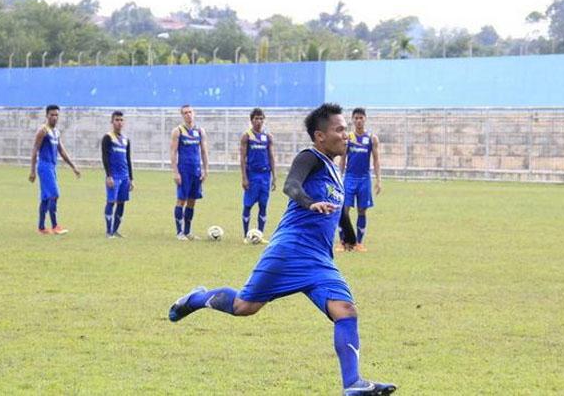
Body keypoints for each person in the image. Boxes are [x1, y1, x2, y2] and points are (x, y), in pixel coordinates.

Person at [168, 103, 397, 395]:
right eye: (340, 129)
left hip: (319, 260)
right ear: (320, 136)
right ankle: (196, 298)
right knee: (244, 307)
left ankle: (353, 383)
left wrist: (350, 238)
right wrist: (308, 202)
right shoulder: (309, 156)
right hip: (289, 250)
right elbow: (291, 186)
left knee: (346, 311)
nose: (346, 134)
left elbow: (339, 213)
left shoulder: (335, 174)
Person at [28, 104, 81, 235]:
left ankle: (41, 227)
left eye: (56, 115)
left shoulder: (56, 132)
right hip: (44, 166)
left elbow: (61, 151)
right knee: (54, 194)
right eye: (52, 115)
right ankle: (55, 226)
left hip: (52, 166)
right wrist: (32, 170)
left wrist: (73, 166)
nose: (54, 117)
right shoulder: (43, 131)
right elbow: (35, 149)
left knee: (46, 198)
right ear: (47, 116)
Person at [337, 108, 382, 252]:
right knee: (344, 210)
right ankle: (343, 242)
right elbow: (343, 159)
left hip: (364, 179)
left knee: (362, 210)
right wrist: (339, 177)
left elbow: (376, 160)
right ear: (352, 119)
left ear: (365, 119)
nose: (358, 120)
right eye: (356, 118)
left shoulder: (371, 138)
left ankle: (359, 243)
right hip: (349, 177)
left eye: (361, 118)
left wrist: (378, 180)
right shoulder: (348, 138)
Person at [170, 105, 209, 240]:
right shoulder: (178, 131)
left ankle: (187, 231)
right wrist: (175, 172)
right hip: (184, 170)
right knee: (181, 200)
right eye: (185, 113)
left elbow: (203, 151)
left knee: (192, 201)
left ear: (194, 113)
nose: (188, 115)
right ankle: (179, 232)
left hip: (196, 170)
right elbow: (173, 152)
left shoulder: (200, 131)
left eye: (190, 112)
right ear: (182, 115)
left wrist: (205, 169)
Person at [240, 108, 277, 242]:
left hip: (265, 175)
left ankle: (259, 235)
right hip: (252, 174)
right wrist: (244, 177)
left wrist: (274, 176)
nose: (259, 121)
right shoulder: (247, 136)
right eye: (256, 118)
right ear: (251, 120)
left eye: (261, 118)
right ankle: (245, 235)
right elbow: (242, 158)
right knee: (248, 205)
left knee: (263, 205)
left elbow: (271, 156)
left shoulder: (268, 136)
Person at [101, 111, 134, 238]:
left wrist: (131, 178)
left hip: (125, 176)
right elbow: (105, 157)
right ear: (112, 121)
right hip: (114, 175)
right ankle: (108, 231)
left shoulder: (126, 140)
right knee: (111, 201)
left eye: (121, 120)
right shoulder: (108, 138)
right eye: (117, 120)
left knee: (122, 202)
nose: (119, 122)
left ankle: (115, 230)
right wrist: (108, 175)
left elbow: (128, 159)